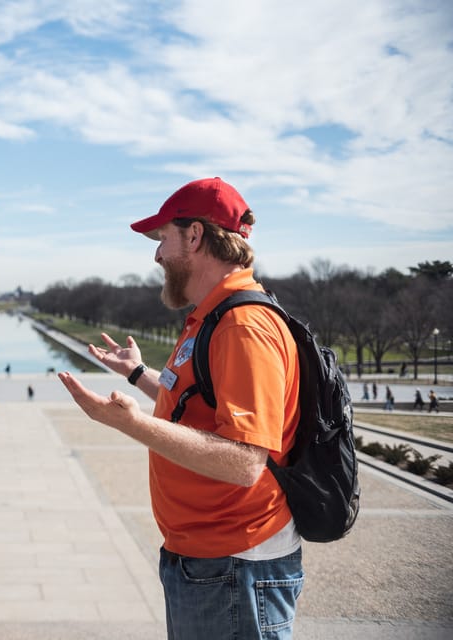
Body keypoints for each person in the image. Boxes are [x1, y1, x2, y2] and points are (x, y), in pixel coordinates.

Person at [59, 177, 303, 639]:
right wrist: (137, 375)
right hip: (210, 559)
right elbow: (197, 408)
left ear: (195, 236)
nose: (156, 256)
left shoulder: (242, 326)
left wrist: (133, 425)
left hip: (234, 563)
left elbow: (245, 461)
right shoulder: (210, 317)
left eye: (162, 239)